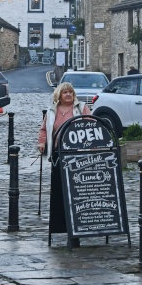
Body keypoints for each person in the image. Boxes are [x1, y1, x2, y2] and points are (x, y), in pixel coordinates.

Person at [37, 82, 91, 243]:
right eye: (65, 92)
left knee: (76, 192)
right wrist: (42, 143)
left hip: (77, 156)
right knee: (60, 192)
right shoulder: (53, 111)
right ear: (59, 95)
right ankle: (63, 226)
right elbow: (44, 129)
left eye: (70, 92)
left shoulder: (81, 108)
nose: (68, 95)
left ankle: (77, 230)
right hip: (59, 154)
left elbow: (90, 125)